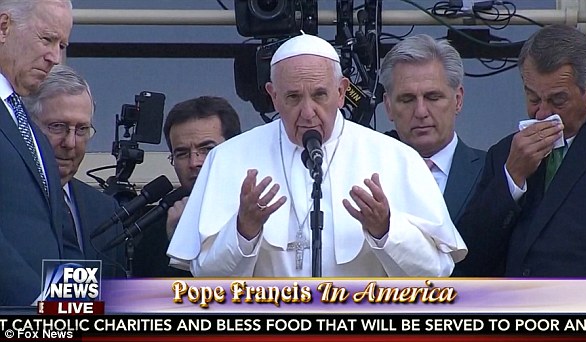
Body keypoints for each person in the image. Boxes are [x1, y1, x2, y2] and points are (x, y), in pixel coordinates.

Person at [167, 33, 467, 277]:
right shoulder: (229, 158)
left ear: (341, 91)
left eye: (320, 95)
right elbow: (204, 279)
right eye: (293, 97)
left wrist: (387, 228)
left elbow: (436, 274)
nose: (308, 112)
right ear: (273, 95)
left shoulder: (395, 158)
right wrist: (243, 230)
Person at [456, 24, 586, 277]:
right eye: (533, 98)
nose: (542, 113)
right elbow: (470, 259)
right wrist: (512, 178)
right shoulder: (505, 152)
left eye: (557, 100)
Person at [0, 0, 77, 305]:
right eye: (47, 39)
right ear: (4, 27)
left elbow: (55, 235)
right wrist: (38, 302)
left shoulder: (32, 129)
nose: (55, 58)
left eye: (62, 45)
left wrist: (75, 310)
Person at [24, 64, 126, 278]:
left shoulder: (105, 210)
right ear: (27, 126)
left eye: (81, 129)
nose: (70, 142)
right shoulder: (9, 200)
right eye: (58, 127)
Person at [380, 34, 485, 224]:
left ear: (458, 100)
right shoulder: (367, 172)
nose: (421, 111)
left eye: (433, 97)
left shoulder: (491, 172)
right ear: (388, 107)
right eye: (407, 99)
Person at [133, 96, 241, 277]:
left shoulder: (267, 208)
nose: (194, 162)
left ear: (236, 150)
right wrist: (174, 243)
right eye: (182, 153)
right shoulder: (156, 226)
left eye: (207, 149)